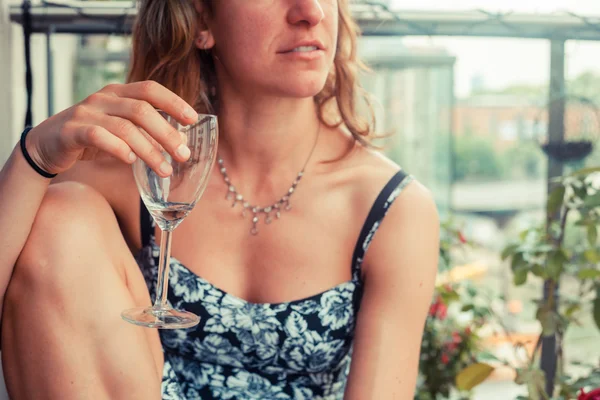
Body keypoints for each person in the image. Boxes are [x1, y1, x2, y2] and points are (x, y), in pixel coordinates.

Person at [0, 0, 440, 399]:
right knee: (60, 212)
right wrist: (34, 156)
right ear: (203, 20)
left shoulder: (392, 210)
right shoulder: (135, 172)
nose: (311, 12)